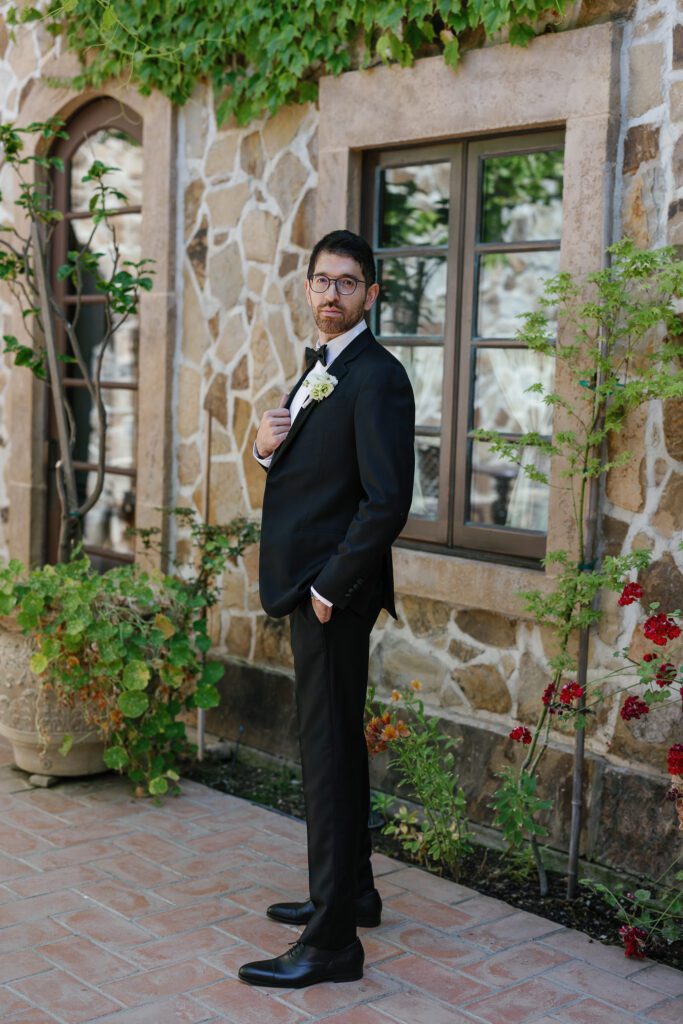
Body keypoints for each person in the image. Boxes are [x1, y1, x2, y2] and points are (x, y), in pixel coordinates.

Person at [238, 230, 415, 989]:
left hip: (330, 596)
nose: (331, 294)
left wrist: (325, 589)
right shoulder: (323, 368)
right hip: (315, 586)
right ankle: (353, 892)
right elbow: (316, 474)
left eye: (347, 283)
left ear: (370, 294)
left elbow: (386, 501)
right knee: (338, 742)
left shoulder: (377, 376)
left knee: (326, 755)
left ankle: (332, 939)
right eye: (320, 281)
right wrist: (263, 447)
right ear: (307, 289)